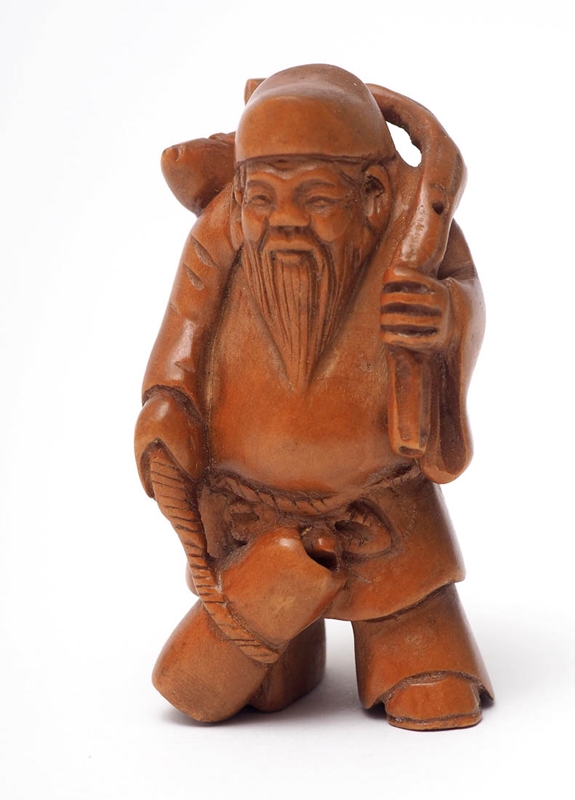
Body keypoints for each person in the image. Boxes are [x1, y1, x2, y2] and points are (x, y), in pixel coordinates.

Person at [135, 64, 492, 730]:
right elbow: (181, 345)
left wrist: (448, 319)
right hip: (248, 521)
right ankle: (285, 653)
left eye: (316, 199)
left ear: (373, 194)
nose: (285, 223)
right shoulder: (220, 235)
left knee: (419, 652)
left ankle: (408, 644)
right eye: (263, 198)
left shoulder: (414, 227)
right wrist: (166, 411)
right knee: (261, 676)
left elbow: (466, 297)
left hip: (380, 509)